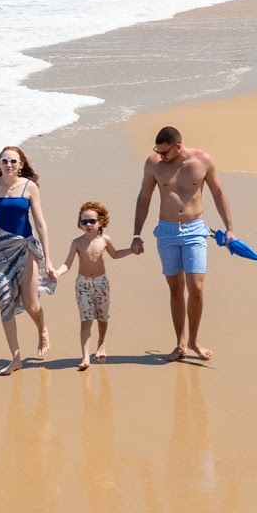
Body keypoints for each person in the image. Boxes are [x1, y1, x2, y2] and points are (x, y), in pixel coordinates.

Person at [128, 124, 233, 364]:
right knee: (175, 288)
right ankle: (180, 343)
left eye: (165, 152)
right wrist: (136, 234)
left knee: (195, 287)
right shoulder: (154, 164)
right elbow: (144, 197)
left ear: (177, 146)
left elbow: (218, 193)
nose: (161, 156)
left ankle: (195, 340)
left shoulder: (202, 161)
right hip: (166, 231)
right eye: (158, 152)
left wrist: (230, 229)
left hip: (195, 229)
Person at [0, 145, 53, 374]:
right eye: (4, 161)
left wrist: (47, 259)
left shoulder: (30, 187)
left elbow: (40, 223)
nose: (8, 165)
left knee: (31, 304)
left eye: (13, 161)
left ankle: (42, 329)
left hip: (25, 247)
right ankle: (16, 359)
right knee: (5, 301)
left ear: (21, 164)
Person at [62, 201, 141, 370]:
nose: (88, 225)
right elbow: (67, 264)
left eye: (92, 221)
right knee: (86, 319)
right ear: (80, 224)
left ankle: (101, 343)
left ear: (101, 222)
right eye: (84, 222)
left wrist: (131, 250)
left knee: (102, 317)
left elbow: (115, 254)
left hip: (101, 283)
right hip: (83, 284)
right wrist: (56, 272)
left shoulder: (105, 239)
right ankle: (85, 356)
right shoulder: (77, 242)